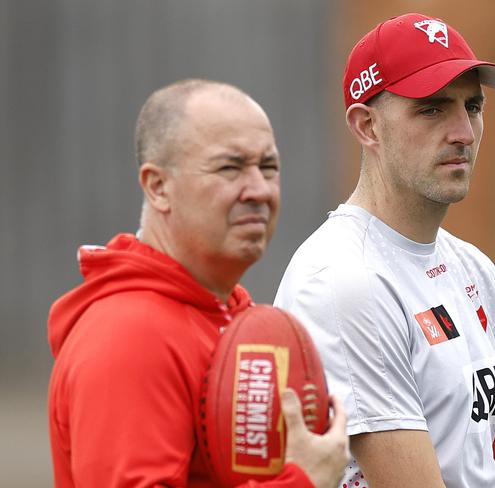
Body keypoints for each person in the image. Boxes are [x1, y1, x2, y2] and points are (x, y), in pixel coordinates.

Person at [274, 13, 495, 488]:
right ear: (367, 125)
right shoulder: (345, 280)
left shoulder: (474, 271)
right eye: (432, 109)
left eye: (473, 106)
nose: (464, 133)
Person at [47, 79, 349, 488]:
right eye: (230, 167)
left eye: (268, 166)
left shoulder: (226, 313)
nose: (259, 189)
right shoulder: (130, 334)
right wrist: (301, 482)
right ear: (158, 187)